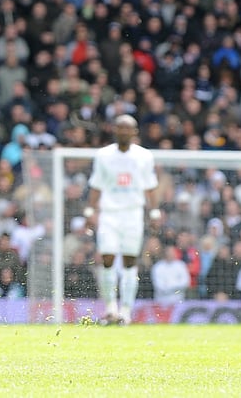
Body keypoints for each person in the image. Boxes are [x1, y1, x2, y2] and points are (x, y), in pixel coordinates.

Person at [85, 114, 159, 325]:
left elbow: (150, 186)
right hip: (109, 213)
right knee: (107, 258)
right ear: (114, 130)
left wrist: (154, 212)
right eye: (120, 128)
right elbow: (96, 185)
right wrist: (90, 211)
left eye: (128, 129)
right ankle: (110, 309)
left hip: (133, 213)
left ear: (135, 132)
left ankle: (125, 311)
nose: (124, 132)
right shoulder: (103, 155)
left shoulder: (144, 156)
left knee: (129, 261)